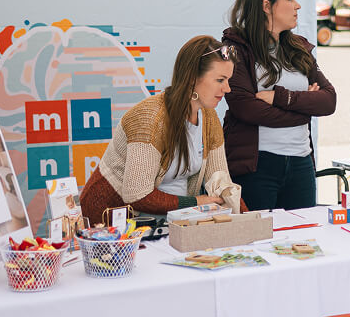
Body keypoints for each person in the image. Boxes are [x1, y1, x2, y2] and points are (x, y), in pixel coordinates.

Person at [80, 36, 234, 221]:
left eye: (228, 80)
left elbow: (221, 183)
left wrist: (252, 218)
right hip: (110, 222)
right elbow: (137, 195)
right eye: (220, 80)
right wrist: (195, 202)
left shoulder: (209, 116)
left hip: (166, 220)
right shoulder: (149, 119)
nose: (228, 89)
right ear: (192, 77)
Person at [222, 0, 337, 210]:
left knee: (303, 239)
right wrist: (305, 106)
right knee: (258, 242)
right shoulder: (235, 47)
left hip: (301, 164)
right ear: (266, 6)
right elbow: (245, 108)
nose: (298, 6)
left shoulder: (299, 48)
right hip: (257, 167)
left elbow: (328, 101)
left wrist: (279, 97)